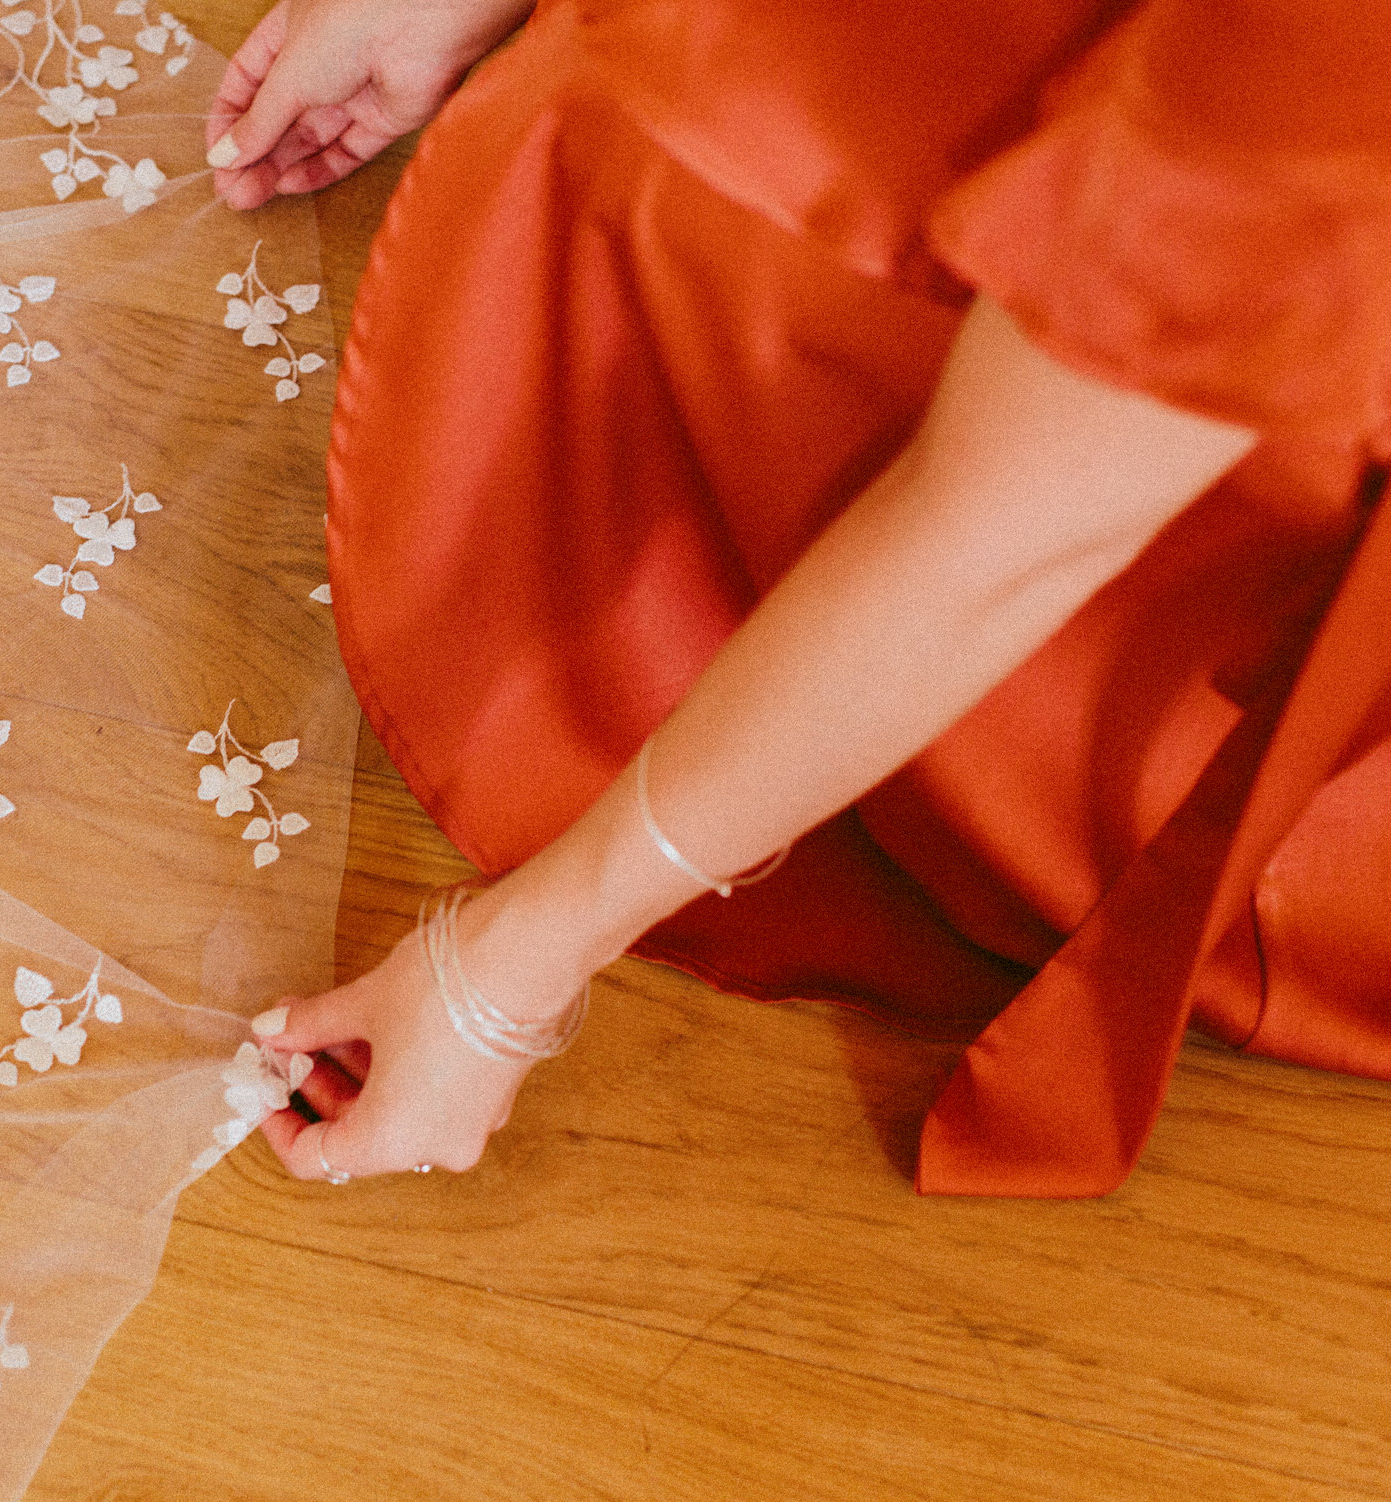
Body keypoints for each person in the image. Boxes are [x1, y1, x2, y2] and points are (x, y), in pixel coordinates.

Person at [203, 0, 1391, 1195]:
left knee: (690, 185)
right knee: (654, 120)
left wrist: (512, 967)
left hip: (1248, 406)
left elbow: (992, 549)